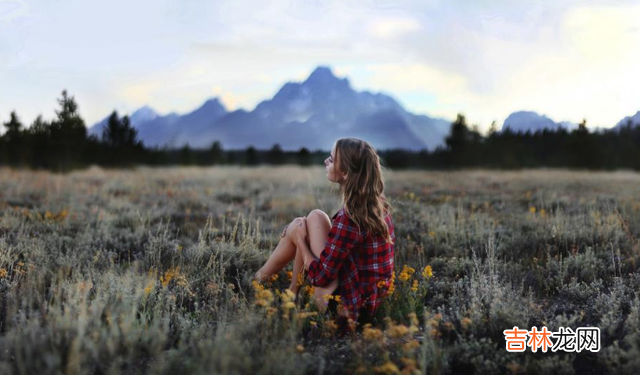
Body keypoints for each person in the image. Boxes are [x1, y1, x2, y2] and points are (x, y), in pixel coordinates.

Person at [254, 137, 395, 331]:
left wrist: (300, 241)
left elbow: (320, 277)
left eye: (331, 159)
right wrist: (303, 232)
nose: (326, 162)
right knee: (312, 219)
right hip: (364, 302)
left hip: (346, 311)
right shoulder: (376, 204)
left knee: (301, 229)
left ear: (345, 172)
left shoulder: (352, 217)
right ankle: (289, 294)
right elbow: (339, 241)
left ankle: (259, 283)